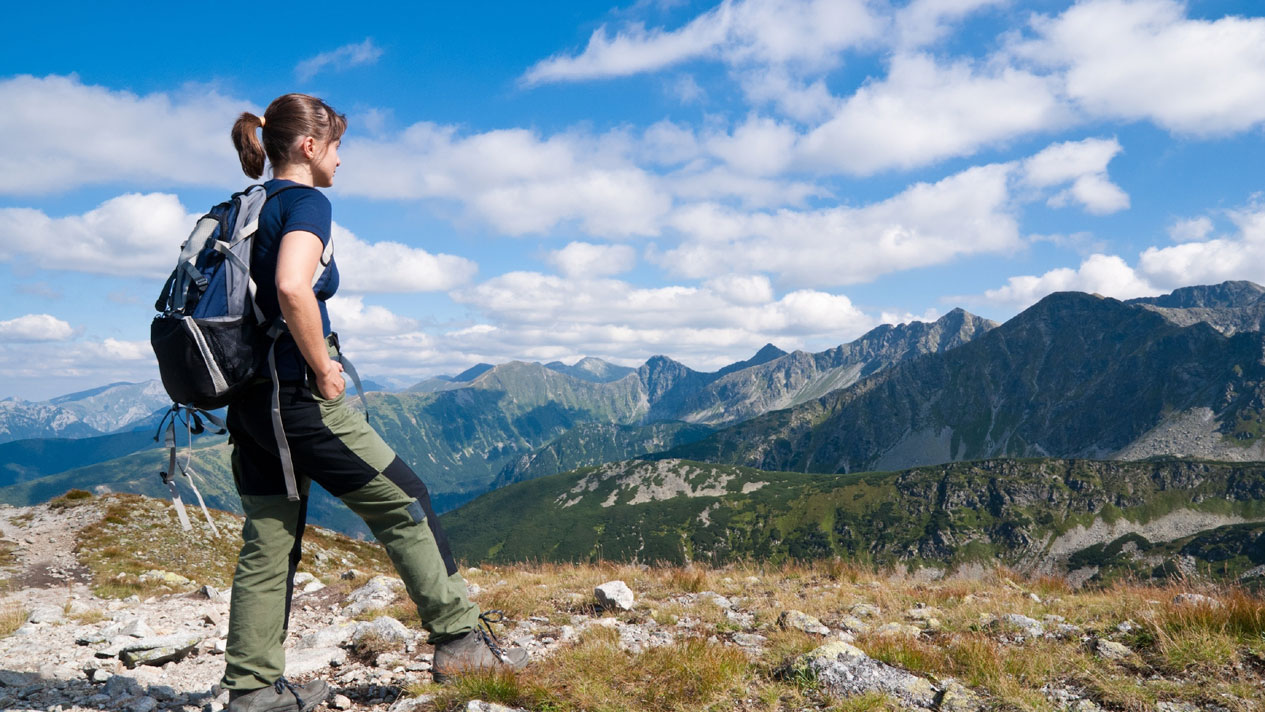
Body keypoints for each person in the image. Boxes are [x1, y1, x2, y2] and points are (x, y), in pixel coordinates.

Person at [221, 93, 526, 712]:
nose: (341, 160)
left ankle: (253, 691)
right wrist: (324, 370)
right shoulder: (307, 201)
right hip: (297, 399)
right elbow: (290, 286)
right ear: (310, 147)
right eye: (337, 146)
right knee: (404, 500)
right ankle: (460, 641)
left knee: (270, 534)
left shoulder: (240, 207)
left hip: (248, 402)